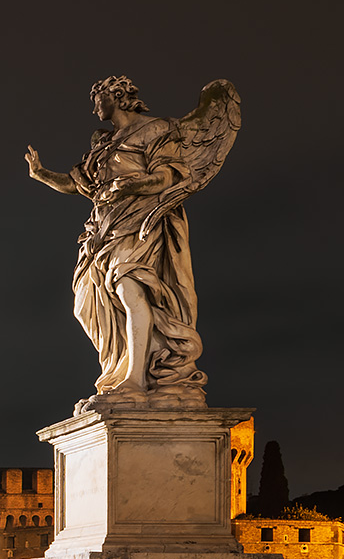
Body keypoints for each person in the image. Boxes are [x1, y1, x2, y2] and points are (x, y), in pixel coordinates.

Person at [25, 77, 239, 413]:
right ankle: (119, 371)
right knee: (86, 303)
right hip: (104, 228)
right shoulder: (103, 143)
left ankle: (136, 381)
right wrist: (43, 175)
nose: (95, 106)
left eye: (99, 99)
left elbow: (170, 175)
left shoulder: (156, 130)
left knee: (130, 288)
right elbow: (79, 182)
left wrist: (129, 186)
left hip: (142, 221)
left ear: (119, 97)